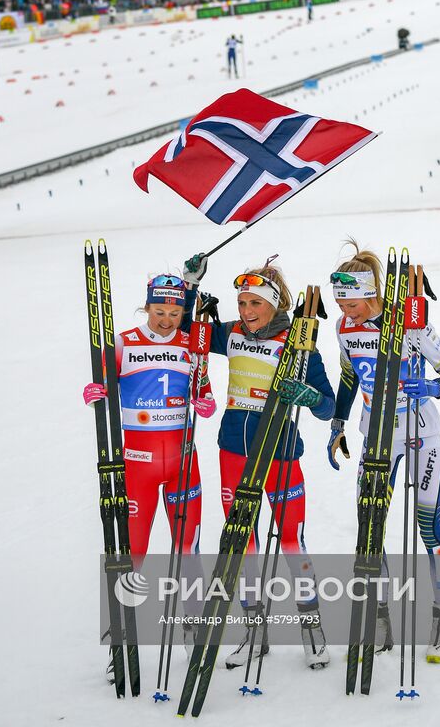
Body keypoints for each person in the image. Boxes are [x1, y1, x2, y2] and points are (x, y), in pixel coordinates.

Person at [183, 254, 335, 670]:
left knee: (291, 542)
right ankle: (254, 633)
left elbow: (328, 405)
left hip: (279, 453)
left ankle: (312, 629)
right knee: (242, 544)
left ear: (274, 304)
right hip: (233, 451)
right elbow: (188, 330)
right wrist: (189, 287)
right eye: (242, 302)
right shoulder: (231, 333)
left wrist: (309, 396)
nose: (247, 311)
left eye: (255, 303)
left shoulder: (298, 343)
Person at [327, 242, 440, 663]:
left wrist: (434, 387)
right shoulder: (344, 328)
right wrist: (338, 423)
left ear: (372, 295)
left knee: (429, 526)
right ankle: (380, 618)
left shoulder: (410, 323)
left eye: (352, 304)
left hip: (421, 432)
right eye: (340, 304)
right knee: (370, 527)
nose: (346, 312)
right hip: (377, 436)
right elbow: (349, 377)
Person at [82, 274, 215, 669]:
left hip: (183, 463)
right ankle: (121, 634)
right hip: (138, 465)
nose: (166, 320)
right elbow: (102, 384)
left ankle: (194, 627)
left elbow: (203, 391)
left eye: (174, 313)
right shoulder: (124, 343)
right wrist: (95, 391)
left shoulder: (192, 345)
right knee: (133, 551)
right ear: (147, 307)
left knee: (187, 548)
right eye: (159, 311)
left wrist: (205, 401)